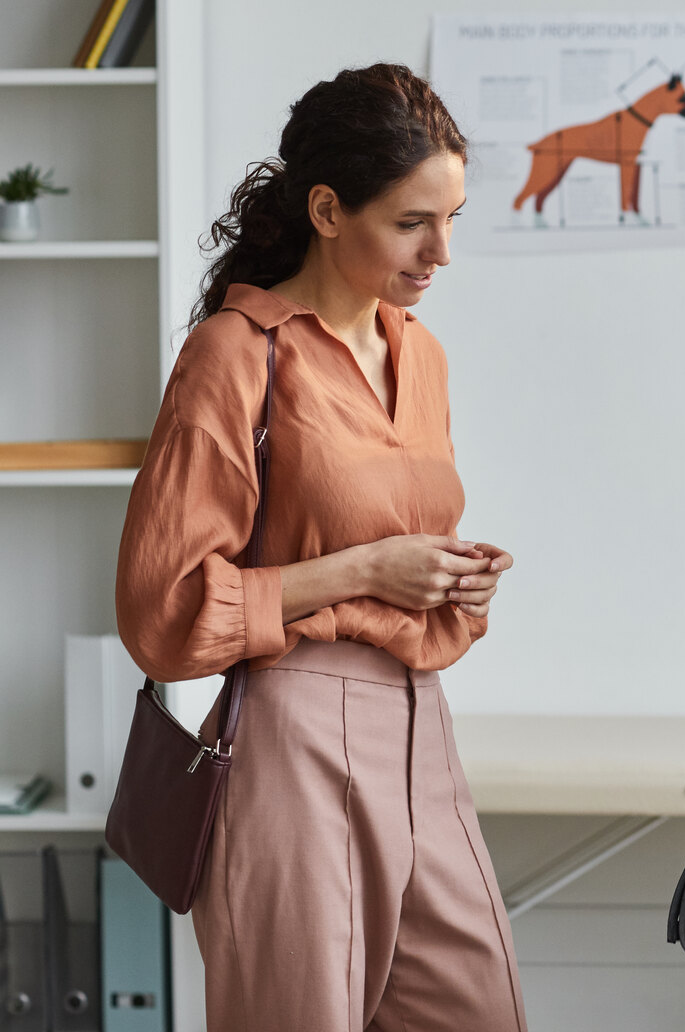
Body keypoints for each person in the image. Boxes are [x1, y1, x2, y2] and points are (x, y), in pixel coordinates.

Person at [116, 64, 526, 1032]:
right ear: (329, 209)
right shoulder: (236, 353)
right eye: (413, 222)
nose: (442, 252)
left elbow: (393, 539)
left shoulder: (419, 354)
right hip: (292, 739)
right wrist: (366, 571)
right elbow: (160, 609)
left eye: (453, 218)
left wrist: (453, 585)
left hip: (422, 726)